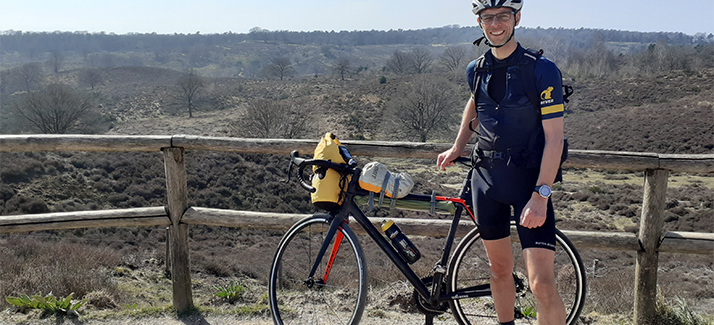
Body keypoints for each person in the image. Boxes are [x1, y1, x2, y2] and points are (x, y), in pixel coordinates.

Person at [436, 1, 566, 324]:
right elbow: (475, 105)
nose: (496, 24)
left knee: (542, 285)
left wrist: (542, 194)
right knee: (498, 270)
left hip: (528, 184)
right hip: (487, 182)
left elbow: (555, 139)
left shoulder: (541, 69)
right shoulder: (475, 69)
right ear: (479, 23)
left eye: (503, 17)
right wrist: (457, 146)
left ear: (517, 18)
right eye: (488, 18)